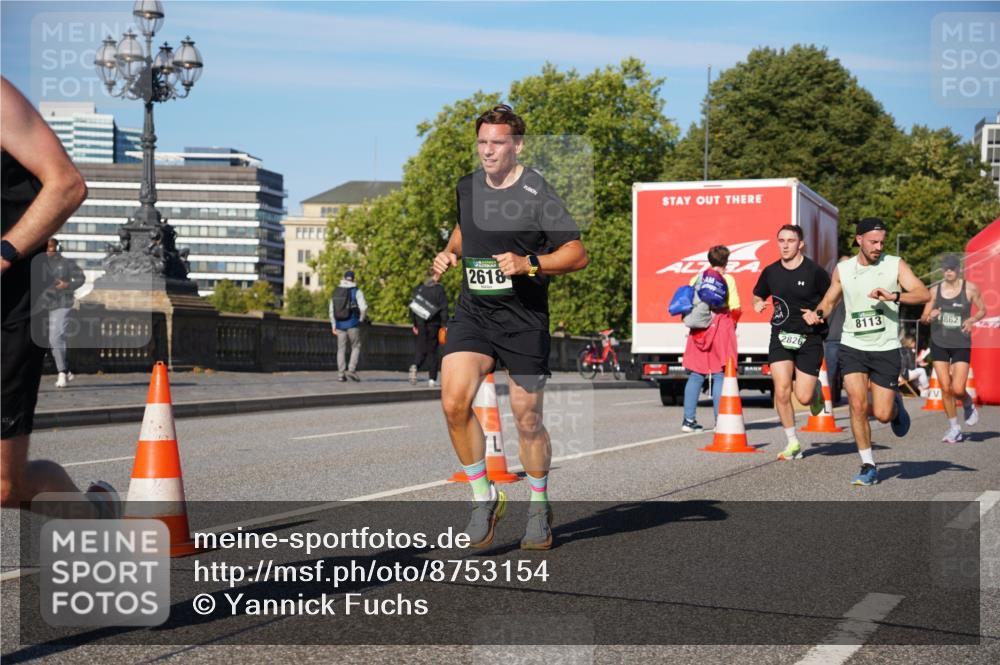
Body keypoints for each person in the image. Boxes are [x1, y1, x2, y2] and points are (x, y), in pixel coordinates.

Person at [433, 104, 587, 550]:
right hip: (475, 315)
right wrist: (451, 253)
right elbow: (465, 229)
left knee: (527, 420)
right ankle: (485, 499)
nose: (487, 151)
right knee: (452, 402)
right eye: (482, 142)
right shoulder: (467, 187)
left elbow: (576, 253)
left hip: (523, 320)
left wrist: (530, 263)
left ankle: (539, 504)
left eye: (497, 142)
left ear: (516, 145)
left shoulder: (538, 191)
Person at [1, 77, 120, 517]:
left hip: (9, 310)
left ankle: (95, 515)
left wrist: (4, 253)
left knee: (5, 486)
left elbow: (67, 185)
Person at [802, 218, 930, 486]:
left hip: (885, 348)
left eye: (882, 242)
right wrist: (817, 315)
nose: (878, 247)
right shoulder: (844, 269)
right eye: (873, 242)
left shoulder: (894, 264)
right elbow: (829, 300)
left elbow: (922, 293)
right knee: (857, 405)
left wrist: (893, 296)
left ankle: (895, 404)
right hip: (852, 345)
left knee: (882, 414)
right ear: (859, 239)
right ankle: (868, 464)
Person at [752, 224, 831, 461]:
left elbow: (831, 300)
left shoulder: (815, 272)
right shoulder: (770, 271)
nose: (785, 245)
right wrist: (757, 303)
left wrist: (817, 314)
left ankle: (815, 390)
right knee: (782, 390)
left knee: (803, 398)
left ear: (800, 244)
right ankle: (792, 442)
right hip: (781, 335)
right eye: (781, 240)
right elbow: (758, 294)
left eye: (790, 241)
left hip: (809, 337)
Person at [920, 254, 985, 442]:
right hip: (939, 342)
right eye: (945, 269)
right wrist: (930, 316)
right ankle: (954, 428)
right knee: (945, 387)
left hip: (961, 343)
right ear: (942, 271)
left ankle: (966, 400)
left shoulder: (970, 288)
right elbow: (924, 317)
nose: (949, 272)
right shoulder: (934, 291)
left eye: (952, 269)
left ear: (958, 269)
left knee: (957, 388)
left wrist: (972, 319)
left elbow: (982, 310)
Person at [680, 245, 740, 432]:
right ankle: (719, 421)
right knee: (720, 373)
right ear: (726, 262)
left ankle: (688, 421)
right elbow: (735, 307)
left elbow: (689, 303)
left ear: (710, 259)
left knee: (696, 374)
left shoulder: (696, 278)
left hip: (699, 330)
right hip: (720, 327)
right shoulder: (727, 279)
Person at [40, 237, 84, 387]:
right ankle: (67, 369)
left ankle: (62, 373)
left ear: (57, 247)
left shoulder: (66, 263)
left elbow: (81, 278)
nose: (48, 250)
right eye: (46, 247)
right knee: (44, 340)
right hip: (43, 305)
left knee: (56, 336)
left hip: (62, 303)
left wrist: (68, 285)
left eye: (51, 247)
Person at [409, 267, 449, 387]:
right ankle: (432, 378)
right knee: (433, 351)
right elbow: (444, 308)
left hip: (421, 323)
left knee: (421, 347)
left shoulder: (419, 288)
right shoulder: (439, 290)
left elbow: (413, 307)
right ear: (436, 275)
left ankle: (415, 365)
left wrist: (414, 324)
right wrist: (444, 325)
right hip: (434, 324)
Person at [329, 269, 368, 382]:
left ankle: (341, 374)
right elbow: (364, 307)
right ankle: (351, 369)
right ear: (353, 278)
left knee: (341, 349)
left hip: (340, 324)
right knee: (356, 346)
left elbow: (331, 310)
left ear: (344, 278)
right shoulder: (357, 291)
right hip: (353, 323)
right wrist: (361, 319)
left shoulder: (336, 291)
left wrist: (333, 326)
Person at [823, 256, 850, 405]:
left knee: (853, 376)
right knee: (829, 374)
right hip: (832, 338)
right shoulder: (830, 288)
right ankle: (827, 405)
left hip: (852, 339)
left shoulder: (856, 286)